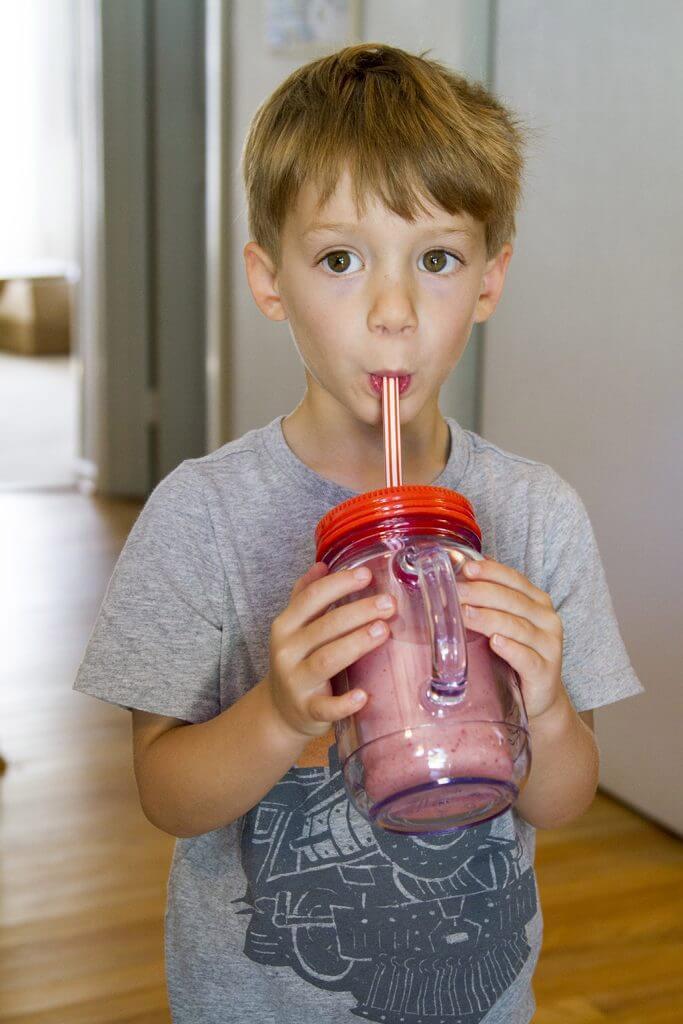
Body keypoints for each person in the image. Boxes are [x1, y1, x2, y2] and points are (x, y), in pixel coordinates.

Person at [73, 43, 644, 1024]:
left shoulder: (535, 511)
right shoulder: (200, 516)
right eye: (339, 259)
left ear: (488, 281)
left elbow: (558, 800)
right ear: (268, 280)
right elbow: (166, 795)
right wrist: (282, 714)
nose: (392, 312)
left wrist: (543, 709)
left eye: (436, 259)